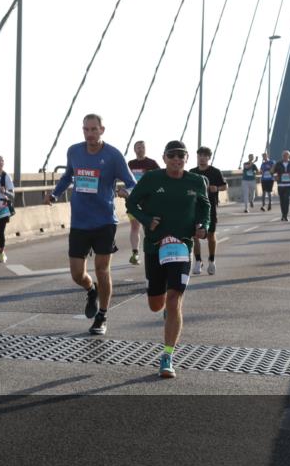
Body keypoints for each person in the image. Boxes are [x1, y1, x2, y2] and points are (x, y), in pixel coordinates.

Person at [45, 114, 136, 336]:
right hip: (79, 221)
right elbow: (68, 176)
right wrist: (55, 194)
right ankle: (90, 289)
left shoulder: (113, 155)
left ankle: (102, 316)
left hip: (105, 221)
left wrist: (127, 192)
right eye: (86, 130)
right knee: (77, 274)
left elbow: (132, 183)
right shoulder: (74, 151)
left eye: (94, 129)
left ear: (102, 130)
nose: (90, 134)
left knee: (102, 270)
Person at [125, 140, 210, 379]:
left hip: (182, 246)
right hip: (155, 247)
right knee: (156, 305)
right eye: (172, 156)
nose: (176, 159)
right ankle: (166, 310)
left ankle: (167, 355)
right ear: (164, 158)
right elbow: (132, 202)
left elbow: (205, 207)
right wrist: (145, 218)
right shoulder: (152, 179)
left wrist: (204, 225)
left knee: (174, 300)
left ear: (186, 159)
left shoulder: (196, 181)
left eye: (181, 156)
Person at [189, 146, 226, 275]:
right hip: (194, 207)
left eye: (205, 156)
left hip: (210, 207)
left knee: (210, 235)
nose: (202, 158)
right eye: (200, 156)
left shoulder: (215, 172)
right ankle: (198, 261)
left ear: (209, 158)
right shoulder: (192, 172)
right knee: (195, 235)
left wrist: (216, 188)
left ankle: (211, 260)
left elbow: (224, 186)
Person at [126, 141, 160, 264]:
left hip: (148, 201)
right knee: (135, 226)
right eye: (138, 147)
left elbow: (160, 177)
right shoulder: (130, 164)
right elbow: (125, 179)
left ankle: (151, 252)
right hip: (134, 200)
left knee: (148, 227)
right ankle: (135, 253)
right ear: (134, 150)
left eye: (142, 147)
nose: (140, 149)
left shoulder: (152, 163)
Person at [272, 150, 290, 221]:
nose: (285, 156)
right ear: (282, 156)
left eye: (286, 155)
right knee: (282, 200)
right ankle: (283, 215)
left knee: (286, 199)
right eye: (284, 155)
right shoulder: (278, 164)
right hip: (280, 184)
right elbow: (272, 172)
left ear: (289, 156)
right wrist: (275, 176)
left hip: (289, 184)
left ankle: (285, 215)